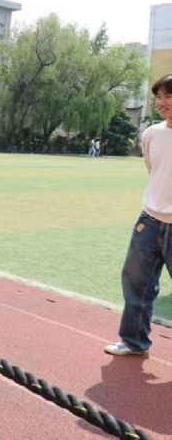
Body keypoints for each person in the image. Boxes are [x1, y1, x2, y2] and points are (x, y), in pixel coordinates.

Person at [105, 74, 172, 356]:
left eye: (168, 97)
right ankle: (134, 341)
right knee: (136, 282)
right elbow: (153, 170)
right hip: (149, 221)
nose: (162, 103)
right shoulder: (151, 134)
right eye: (158, 97)